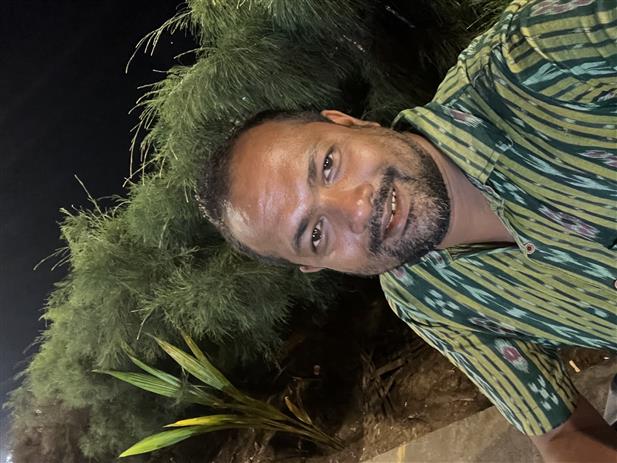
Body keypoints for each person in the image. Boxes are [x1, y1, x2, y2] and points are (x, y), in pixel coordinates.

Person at [197, 0, 617, 460]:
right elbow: (560, 431)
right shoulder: (425, 296)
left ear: (350, 122)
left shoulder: (535, 59)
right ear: (316, 266)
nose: (358, 207)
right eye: (316, 234)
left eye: (329, 165)